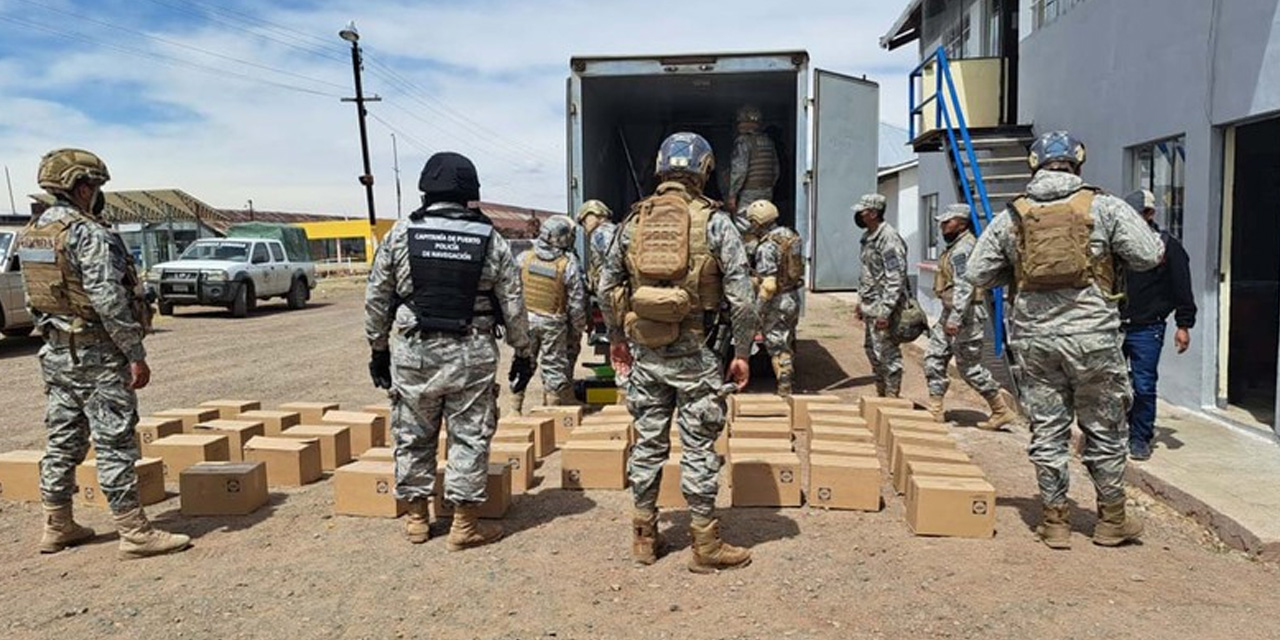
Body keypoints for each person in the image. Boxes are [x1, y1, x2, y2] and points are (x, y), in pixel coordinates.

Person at [966, 131, 1163, 550]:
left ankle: (1054, 521)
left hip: (1035, 341)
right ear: (1077, 164)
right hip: (1093, 337)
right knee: (1105, 428)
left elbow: (978, 272)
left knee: (1048, 429)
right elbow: (1148, 255)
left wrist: (1018, 274)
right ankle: (1111, 520)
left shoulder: (1014, 214)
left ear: (1033, 165)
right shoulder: (1104, 206)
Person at [598, 131, 759, 573]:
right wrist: (741, 352)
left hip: (646, 352)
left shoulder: (632, 223)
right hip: (699, 354)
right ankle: (705, 547)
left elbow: (606, 286)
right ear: (705, 169)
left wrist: (616, 338)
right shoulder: (715, 222)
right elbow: (743, 298)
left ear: (660, 168)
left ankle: (643, 538)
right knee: (699, 448)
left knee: (648, 445)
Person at [18, 148, 189, 559]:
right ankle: (134, 532)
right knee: (114, 441)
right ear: (81, 186)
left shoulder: (35, 232)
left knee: (63, 440)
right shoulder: (87, 232)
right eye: (94, 186)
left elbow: (33, 300)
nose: (97, 194)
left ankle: (57, 525)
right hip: (97, 352)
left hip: (56, 352)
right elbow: (107, 297)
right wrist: (134, 351)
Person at [365, 151, 533, 551]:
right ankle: (463, 525)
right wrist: (523, 352)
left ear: (426, 188)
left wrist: (378, 348)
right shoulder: (489, 238)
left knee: (412, 433)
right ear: (470, 191)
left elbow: (377, 296)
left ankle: (418, 520)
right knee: (469, 436)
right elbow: (513, 301)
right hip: (471, 351)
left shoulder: (402, 232)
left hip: (413, 350)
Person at [922, 203, 1020, 428]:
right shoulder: (956, 246)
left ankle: (1000, 410)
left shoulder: (964, 249)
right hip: (950, 313)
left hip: (966, 315)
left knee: (969, 368)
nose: (943, 226)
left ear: (963, 223)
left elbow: (964, 285)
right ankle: (936, 408)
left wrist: (956, 318)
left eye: (949, 221)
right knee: (934, 358)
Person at [1121, 188, 1196, 461]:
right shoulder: (1118, 245)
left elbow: (1182, 287)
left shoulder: (1167, 247)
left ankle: (1140, 437)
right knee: (1110, 384)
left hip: (1147, 328)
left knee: (1143, 385)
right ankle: (1114, 434)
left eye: (1136, 216)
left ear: (1149, 214)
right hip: (1114, 325)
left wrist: (1183, 325)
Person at [512, 215, 588, 413]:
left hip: (526, 321)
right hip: (553, 323)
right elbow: (577, 301)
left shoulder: (524, 259)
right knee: (554, 366)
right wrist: (578, 328)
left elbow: (512, 292)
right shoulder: (567, 263)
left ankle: (515, 409)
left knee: (522, 362)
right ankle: (552, 412)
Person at [745, 199, 803, 396]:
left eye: (752, 222)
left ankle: (784, 387)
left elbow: (769, 285)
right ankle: (788, 374)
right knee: (788, 339)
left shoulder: (767, 246)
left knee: (777, 344)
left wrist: (758, 308)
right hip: (793, 296)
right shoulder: (791, 236)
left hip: (777, 301)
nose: (751, 226)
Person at [854, 193, 908, 398]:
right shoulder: (868, 236)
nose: (859, 214)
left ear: (874, 213)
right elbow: (867, 272)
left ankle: (892, 397)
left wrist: (886, 312)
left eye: (863, 211)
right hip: (870, 304)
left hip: (883, 306)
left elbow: (896, 277)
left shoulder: (888, 238)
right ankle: (881, 394)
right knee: (872, 350)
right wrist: (860, 302)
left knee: (887, 353)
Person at [726, 104, 779, 224]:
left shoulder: (743, 141)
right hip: (767, 191)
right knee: (765, 222)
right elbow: (776, 170)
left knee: (744, 226)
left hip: (748, 193)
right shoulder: (768, 141)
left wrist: (732, 195)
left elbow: (739, 170)